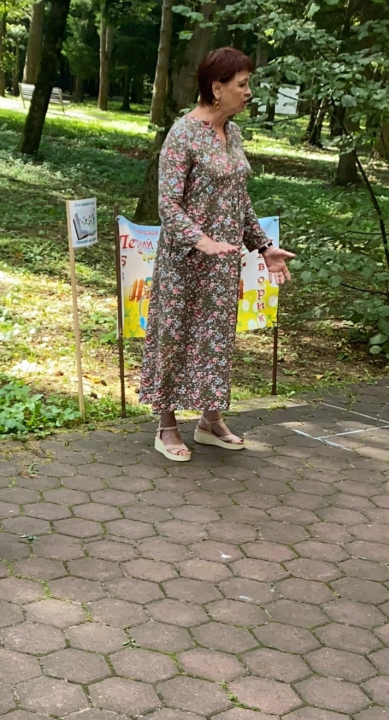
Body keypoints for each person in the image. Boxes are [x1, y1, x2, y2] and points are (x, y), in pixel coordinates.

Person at [140, 46, 295, 462]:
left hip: (223, 263)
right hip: (185, 261)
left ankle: (210, 420)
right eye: (242, 85)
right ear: (216, 87)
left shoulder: (234, 133)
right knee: (175, 336)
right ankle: (166, 424)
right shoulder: (183, 133)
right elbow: (168, 204)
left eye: (248, 84)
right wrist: (199, 240)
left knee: (216, 339)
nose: (248, 92)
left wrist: (262, 246)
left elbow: (239, 198)